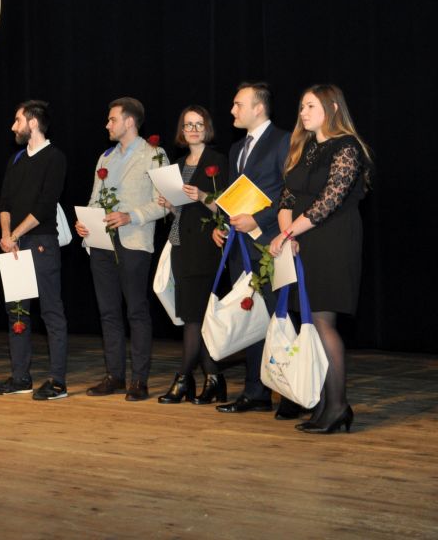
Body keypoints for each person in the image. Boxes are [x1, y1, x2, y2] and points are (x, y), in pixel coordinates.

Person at [268, 84, 372, 434]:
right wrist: (289, 234)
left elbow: (329, 200)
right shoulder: (305, 147)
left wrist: (288, 234)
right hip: (302, 240)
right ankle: (327, 405)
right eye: (301, 107)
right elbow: (287, 197)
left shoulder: (347, 147)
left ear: (332, 108)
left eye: (310, 106)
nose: (303, 112)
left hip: (333, 241)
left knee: (322, 321)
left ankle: (338, 406)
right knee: (310, 323)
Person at [211, 83, 300, 419]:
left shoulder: (284, 141)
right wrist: (223, 224)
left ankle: (291, 394)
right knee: (250, 317)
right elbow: (235, 195)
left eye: (238, 105)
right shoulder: (237, 148)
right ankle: (256, 392)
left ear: (258, 108)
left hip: (272, 243)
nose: (232, 111)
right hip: (241, 248)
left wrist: (258, 220)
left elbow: (291, 193)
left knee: (280, 317)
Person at [76, 97, 167, 401]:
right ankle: (114, 375)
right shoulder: (105, 158)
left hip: (134, 241)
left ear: (129, 121)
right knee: (108, 311)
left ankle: (139, 380)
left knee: (136, 311)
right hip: (102, 242)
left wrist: (132, 216)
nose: (107, 125)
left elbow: (165, 203)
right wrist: (84, 223)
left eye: (112, 119)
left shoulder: (154, 154)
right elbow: (94, 199)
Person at [0, 99, 69, 400]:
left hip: (41, 244)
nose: (13, 126)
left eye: (18, 120)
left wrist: (14, 234)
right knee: (17, 311)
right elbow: (4, 203)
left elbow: (44, 206)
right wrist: (6, 235)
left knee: (51, 311)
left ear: (33, 123)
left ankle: (58, 381)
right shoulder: (16, 160)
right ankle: (20, 377)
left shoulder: (55, 158)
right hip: (13, 245)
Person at [154, 106, 229, 404]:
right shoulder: (178, 164)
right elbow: (181, 212)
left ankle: (183, 379)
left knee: (194, 319)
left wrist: (202, 195)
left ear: (207, 128)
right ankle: (214, 379)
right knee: (194, 315)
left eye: (199, 124)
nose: (193, 129)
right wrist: (171, 206)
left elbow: (225, 206)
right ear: (182, 131)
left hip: (205, 247)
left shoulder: (217, 161)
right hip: (180, 245)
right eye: (188, 125)